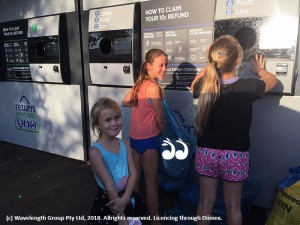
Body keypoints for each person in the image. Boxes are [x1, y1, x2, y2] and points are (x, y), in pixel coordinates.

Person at [191, 35, 277, 225]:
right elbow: (273, 81)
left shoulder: (204, 86)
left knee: (205, 202)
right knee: (234, 206)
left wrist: (210, 64)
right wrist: (260, 70)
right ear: (238, 60)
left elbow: (193, 85)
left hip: (207, 152)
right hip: (235, 155)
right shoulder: (248, 87)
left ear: (213, 60)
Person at [122, 49, 168, 225]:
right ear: (149, 66)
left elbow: (125, 101)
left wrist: (141, 102)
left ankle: (137, 216)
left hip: (135, 139)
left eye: (166, 65)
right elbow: (161, 118)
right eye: (161, 65)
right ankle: (155, 221)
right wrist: (164, 133)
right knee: (151, 182)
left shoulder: (140, 84)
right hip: (149, 139)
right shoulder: (154, 87)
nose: (164, 69)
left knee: (135, 179)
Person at [88, 97, 143, 225]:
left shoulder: (125, 144)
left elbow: (133, 173)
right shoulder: (95, 152)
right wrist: (121, 216)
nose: (114, 123)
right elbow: (110, 185)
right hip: (110, 203)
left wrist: (125, 198)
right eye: (108, 120)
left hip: (126, 198)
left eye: (117, 117)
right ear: (97, 124)